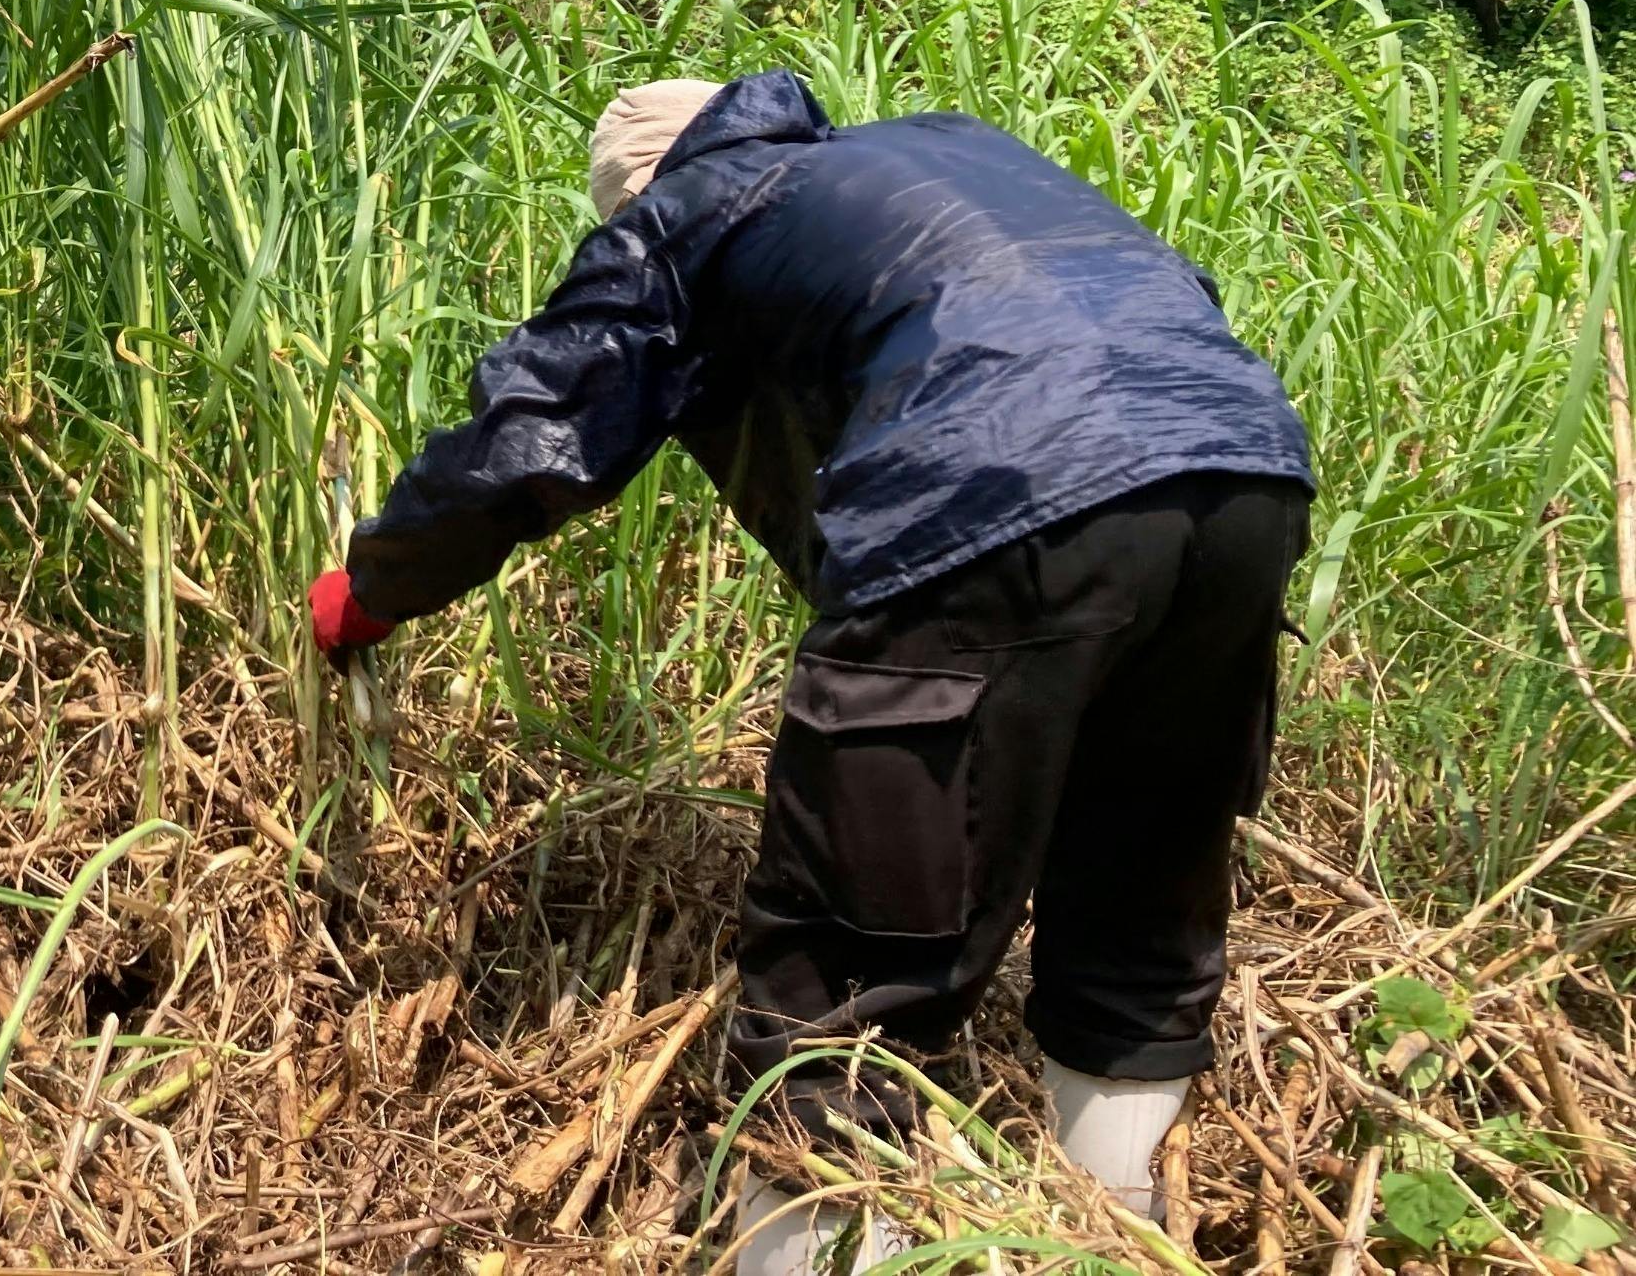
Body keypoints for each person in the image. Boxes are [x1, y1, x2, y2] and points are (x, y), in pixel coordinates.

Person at [308, 71, 1313, 1270]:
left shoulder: (693, 210)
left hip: (995, 488)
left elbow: (529, 440)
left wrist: (370, 590)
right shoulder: (945, 150)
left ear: (644, 186)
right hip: (1246, 472)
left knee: (850, 969)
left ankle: (810, 1251)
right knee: (1141, 890)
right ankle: (1113, 1238)